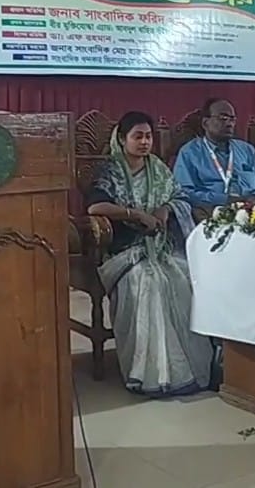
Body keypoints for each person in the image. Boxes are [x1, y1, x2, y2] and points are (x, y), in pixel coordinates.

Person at [86, 111, 213, 396]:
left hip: (161, 246)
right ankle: (149, 372)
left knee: (185, 276)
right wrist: (135, 215)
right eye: (138, 136)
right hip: (124, 250)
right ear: (122, 139)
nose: (144, 142)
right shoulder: (110, 170)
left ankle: (189, 369)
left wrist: (164, 210)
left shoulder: (158, 168)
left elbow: (179, 197)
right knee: (149, 283)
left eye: (148, 137)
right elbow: (95, 207)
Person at [173, 98, 255, 209]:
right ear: (205, 123)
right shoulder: (189, 153)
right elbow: (183, 192)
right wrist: (224, 199)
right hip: (211, 211)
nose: (229, 124)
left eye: (232, 119)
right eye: (223, 118)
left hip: (251, 210)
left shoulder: (247, 150)